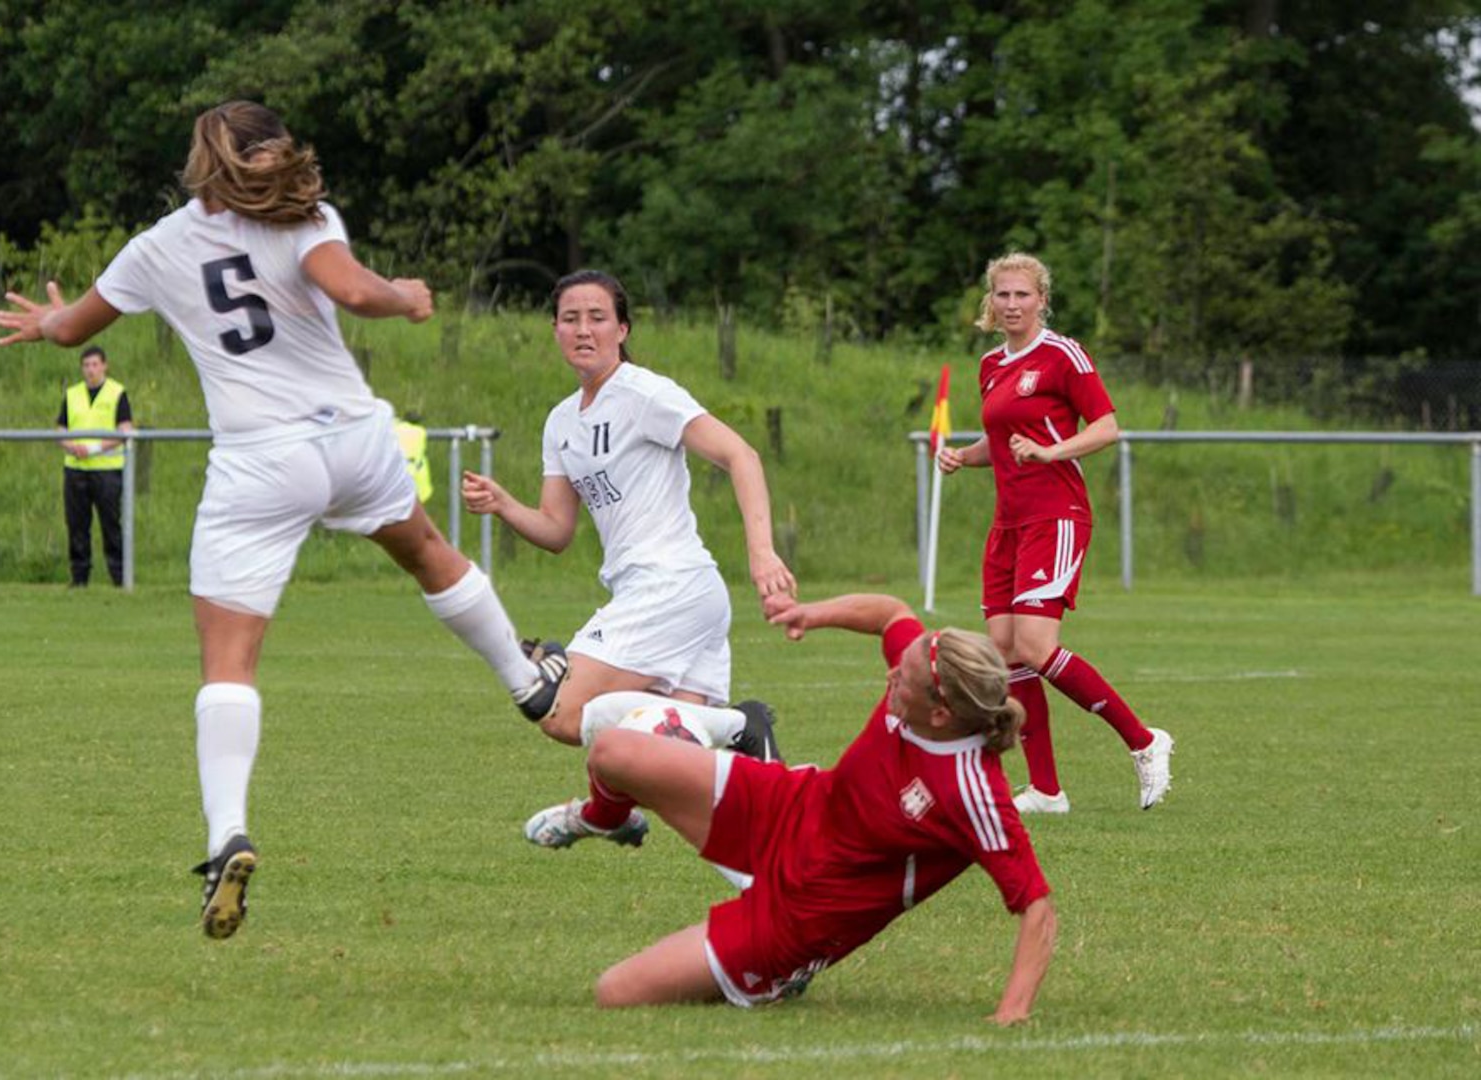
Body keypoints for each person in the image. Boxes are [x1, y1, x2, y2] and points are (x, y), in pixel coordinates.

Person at [0, 100, 568, 940]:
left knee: (229, 658)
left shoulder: (157, 246)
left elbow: (73, 327)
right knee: (427, 550)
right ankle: (525, 683)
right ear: (272, 155)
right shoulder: (305, 217)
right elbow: (351, 288)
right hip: (353, 438)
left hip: (261, 460)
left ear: (200, 163)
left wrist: (45, 320)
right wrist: (402, 296)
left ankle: (227, 832)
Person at [560, 590, 1056, 1020]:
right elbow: (890, 612)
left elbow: (1036, 906)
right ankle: (604, 819)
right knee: (612, 751)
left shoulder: (972, 790)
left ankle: (779, 978)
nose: (891, 679)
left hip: (802, 916)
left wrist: (1011, 1012)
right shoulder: (922, 673)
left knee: (616, 993)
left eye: (901, 681)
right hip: (786, 807)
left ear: (942, 714)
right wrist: (810, 613)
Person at [460, 269, 796, 849]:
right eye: (570, 318)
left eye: (596, 318)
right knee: (661, 754)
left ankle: (629, 795)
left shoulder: (645, 393)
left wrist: (762, 554)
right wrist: (504, 504)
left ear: (622, 328)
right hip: (676, 596)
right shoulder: (561, 421)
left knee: (561, 713)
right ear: (555, 330)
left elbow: (741, 455)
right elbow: (557, 529)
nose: (583, 330)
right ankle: (714, 753)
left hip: (669, 586)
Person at [938, 252, 1173, 814]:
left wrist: (1051, 451)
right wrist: (960, 457)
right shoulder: (991, 364)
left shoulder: (1062, 355)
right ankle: (1046, 789)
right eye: (1002, 295)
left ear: (1042, 299)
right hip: (1009, 523)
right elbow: (999, 446)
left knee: (1037, 647)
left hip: (1057, 515)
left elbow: (1108, 427)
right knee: (1004, 648)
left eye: (1023, 295)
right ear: (989, 303)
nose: (1012, 304)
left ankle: (1144, 741)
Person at [57, 345, 134, 587]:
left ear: (104, 366)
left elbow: (125, 431)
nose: (90, 370)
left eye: (94, 365)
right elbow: (61, 429)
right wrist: (71, 447)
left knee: (111, 524)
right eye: (86, 365)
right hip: (76, 469)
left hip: (107, 469)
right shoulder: (72, 394)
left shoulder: (116, 393)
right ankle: (79, 578)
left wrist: (92, 448)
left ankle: (120, 578)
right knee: (77, 525)